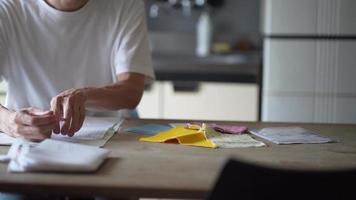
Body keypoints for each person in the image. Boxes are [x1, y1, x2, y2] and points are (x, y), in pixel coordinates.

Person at [0, 0, 154, 142]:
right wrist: (8, 121)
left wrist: (85, 95)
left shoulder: (125, 4)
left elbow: (131, 91)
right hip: (21, 143)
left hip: (110, 139)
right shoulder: (7, 7)